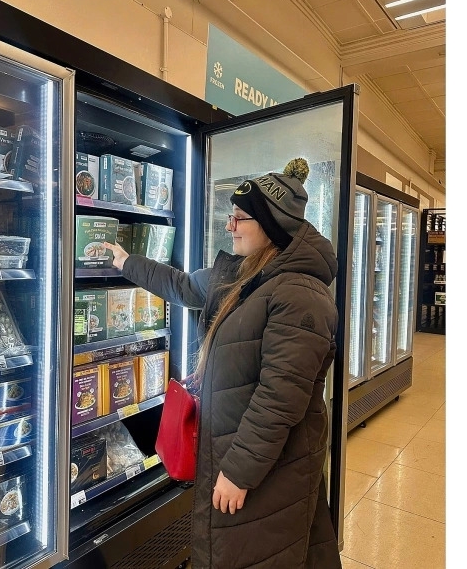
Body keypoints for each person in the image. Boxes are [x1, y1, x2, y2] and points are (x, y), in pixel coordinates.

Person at [103, 158, 342, 568]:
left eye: (239, 218)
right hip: (236, 450)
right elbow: (181, 285)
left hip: (268, 467)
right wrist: (127, 262)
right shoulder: (243, 274)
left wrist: (238, 472)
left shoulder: (301, 295)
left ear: (271, 227)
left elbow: (279, 400)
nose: (229, 226)